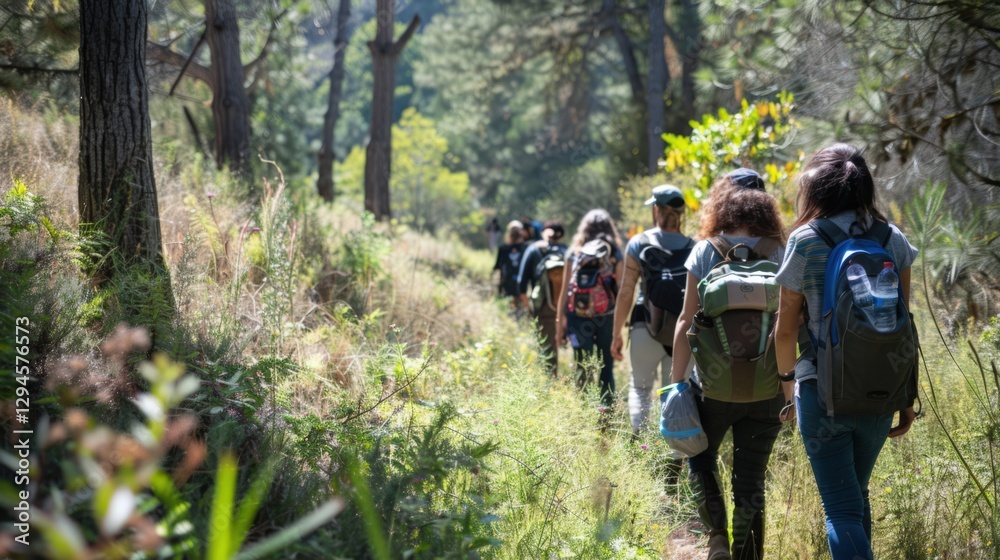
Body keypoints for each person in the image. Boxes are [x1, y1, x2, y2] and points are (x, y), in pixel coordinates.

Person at [774, 144, 917, 560]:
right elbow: (903, 327)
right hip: (879, 393)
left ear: (816, 188)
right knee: (856, 497)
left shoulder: (805, 240)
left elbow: (785, 331)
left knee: (840, 509)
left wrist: (789, 388)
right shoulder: (892, 238)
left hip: (822, 392)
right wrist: (905, 398)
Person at [669, 168, 787, 560]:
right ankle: (746, 555)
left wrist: (676, 383)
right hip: (768, 387)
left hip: (712, 386)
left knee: (701, 458)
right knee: (751, 479)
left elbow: (686, 320)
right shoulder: (781, 251)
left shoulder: (706, 250)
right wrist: (791, 384)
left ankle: (717, 536)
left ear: (722, 201)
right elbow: (795, 323)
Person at [611, 185, 695, 432]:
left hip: (644, 326)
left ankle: (641, 443)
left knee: (640, 388)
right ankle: (674, 447)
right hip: (682, 331)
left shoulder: (638, 243)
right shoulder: (695, 247)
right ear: (681, 213)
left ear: (656, 210)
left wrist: (616, 333)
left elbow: (626, 292)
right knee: (676, 390)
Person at [555, 209, 625, 406]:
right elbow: (622, 292)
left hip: (578, 316)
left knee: (582, 366)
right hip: (607, 317)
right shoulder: (615, 253)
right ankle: (606, 411)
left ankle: (583, 410)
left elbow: (565, 290)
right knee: (606, 367)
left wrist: (560, 323)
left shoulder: (574, 252)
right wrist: (620, 326)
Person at [517, 220, 568, 376]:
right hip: (567, 307)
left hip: (544, 306)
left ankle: (550, 381)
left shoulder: (533, 250)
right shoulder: (567, 251)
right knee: (577, 348)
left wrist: (529, 309)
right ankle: (581, 383)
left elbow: (521, 284)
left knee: (547, 348)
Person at [493, 220, 526, 312]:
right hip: (508, 284)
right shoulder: (504, 248)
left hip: (521, 286)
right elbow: (498, 267)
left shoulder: (526, 248)